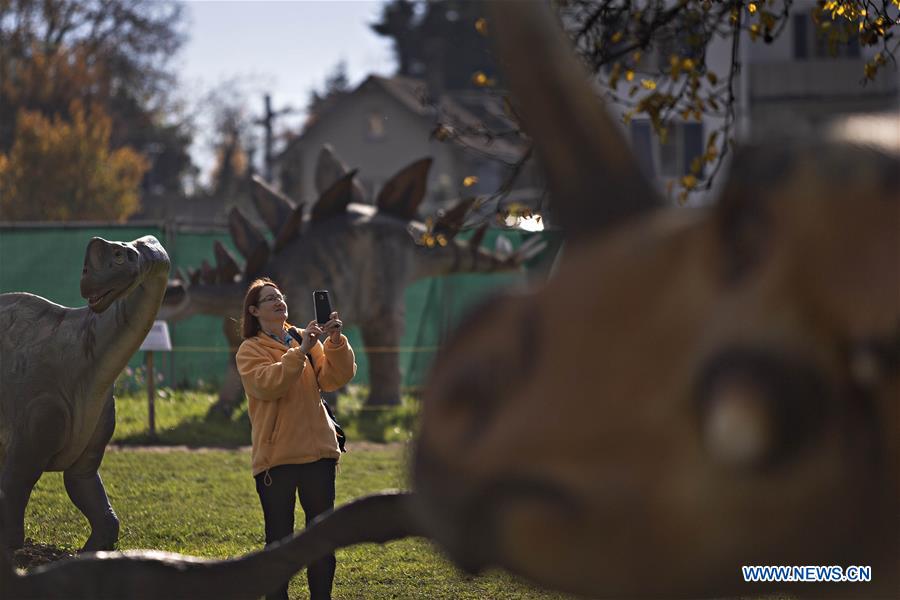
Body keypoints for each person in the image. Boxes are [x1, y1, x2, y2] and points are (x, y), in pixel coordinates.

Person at [236, 277, 356, 600]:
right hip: (277, 461)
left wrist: (334, 340)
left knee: (322, 541)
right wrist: (299, 352)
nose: (279, 301)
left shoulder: (303, 337)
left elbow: (334, 377)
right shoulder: (250, 350)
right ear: (254, 310)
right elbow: (268, 384)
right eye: (270, 299)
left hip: (319, 455)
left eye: (280, 296)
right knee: (279, 544)